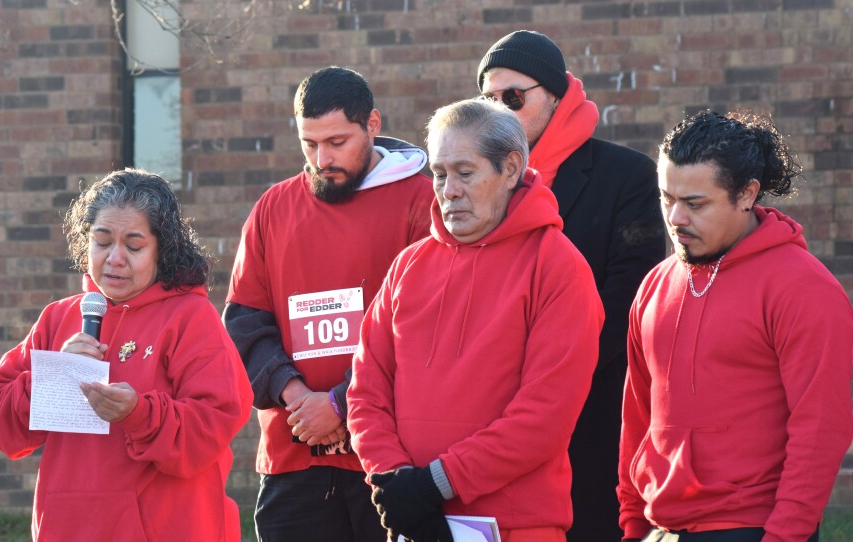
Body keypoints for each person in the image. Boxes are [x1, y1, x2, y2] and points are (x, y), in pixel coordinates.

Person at [347, 98, 604, 542]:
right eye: (440, 174)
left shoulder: (558, 267)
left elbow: (543, 417)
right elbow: (366, 390)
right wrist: (395, 482)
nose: (449, 190)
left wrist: (434, 484)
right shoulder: (409, 265)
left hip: (518, 527)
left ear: (510, 168)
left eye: (465, 173)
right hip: (412, 521)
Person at [0, 168, 253, 541]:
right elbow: (1, 425)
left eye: (134, 245)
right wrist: (51, 377)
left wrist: (138, 414)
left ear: (164, 249)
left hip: (167, 527)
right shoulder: (60, 317)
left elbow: (212, 426)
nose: (115, 258)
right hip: (67, 527)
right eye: (102, 241)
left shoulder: (190, 317)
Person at [618, 110, 853, 542]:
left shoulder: (803, 288)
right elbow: (638, 415)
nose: (674, 218)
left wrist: (784, 536)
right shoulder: (654, 284)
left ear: (747, 194)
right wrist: (633, 524)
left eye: (695, 203)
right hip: (659, 529)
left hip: (753, 529)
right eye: (666, 198)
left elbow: (821, 430)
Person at [222, 66, 434, 542]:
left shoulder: (422, 202)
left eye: (337, 142)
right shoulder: (273, 209)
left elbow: (424, 331)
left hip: (390, 461)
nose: (322, 159)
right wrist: (298, 399)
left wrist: (340, 404)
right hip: (292, 458)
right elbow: (244, 326)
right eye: (309, 144)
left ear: (373, 124)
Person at [477, 29, 667, 542]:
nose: (498, 110)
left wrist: (542, 384)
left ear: (556, 96)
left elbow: (629, 299)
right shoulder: (477, 183)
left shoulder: (627, 175)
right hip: (494, 421)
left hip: (592, 419)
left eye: (513, 97)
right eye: (487, 98)